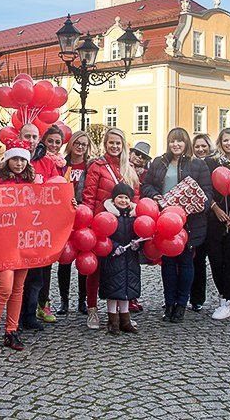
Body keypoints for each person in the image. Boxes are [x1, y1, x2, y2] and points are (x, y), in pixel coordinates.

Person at [141, 127, 212, 323]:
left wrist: (197, 206)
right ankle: (169, 303)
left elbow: (207, 193)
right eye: (173, 141)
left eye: (180, 141)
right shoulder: (159, 162)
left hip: (189, 221)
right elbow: (146, 185)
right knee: (168, 264)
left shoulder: (197, 165)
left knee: (186, 263)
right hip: (164, 220)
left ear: (186, 143)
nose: (176, 144)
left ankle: (181, 304)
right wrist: (154, 195)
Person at [81, 127, 139, 329]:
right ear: (105, 144)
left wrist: (134, 213)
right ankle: (92, 310)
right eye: (111, 142)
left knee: (122, 267)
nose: (114, 146)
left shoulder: (128, 167)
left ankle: (123, 311)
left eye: (118, 143)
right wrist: (88, 222)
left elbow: (136, 195)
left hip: (124, 225)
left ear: (123, 145)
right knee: (95, 270)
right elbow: (89, 195)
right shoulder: (97, 166)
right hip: (101, 224)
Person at [0, 139, 34, 353]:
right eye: (15, 159)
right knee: (5, 288)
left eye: (22, 159)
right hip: (2, 243)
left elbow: (46, 206)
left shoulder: (32, 183)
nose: (19, 163)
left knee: (18, 289)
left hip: (23, 242)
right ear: (7, 160)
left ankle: (11, 331)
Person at [18, 124, 58, 331]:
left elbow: (56, 189)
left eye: (34, 136)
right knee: (17, 277)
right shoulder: (13, 160)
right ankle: (15, 317)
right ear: (20, 137)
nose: (31, 140)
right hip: (17, 228)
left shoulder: (47, 162)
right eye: (27, 136)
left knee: (36, 277)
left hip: (40, 227)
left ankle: (31, 314)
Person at [204, 127, 230, 319]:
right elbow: (206, 189)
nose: (229, 144)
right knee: (215, 261)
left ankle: (227, 300)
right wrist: (215, 208)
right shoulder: (211, 163)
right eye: (226, 140)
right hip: (215, 219)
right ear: (220, 143)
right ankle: (222, 295)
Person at [98, 183, 142, 336]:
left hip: (129, 258)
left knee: (126, 289)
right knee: (113, 290)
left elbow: (139, 234)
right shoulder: (108, 215)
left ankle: (125, 320)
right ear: (114, 199)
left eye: (126, 198)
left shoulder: (134, 216)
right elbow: (104, 236)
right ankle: (113, 321)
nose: (123, 200)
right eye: (120, 197)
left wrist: (137, 244)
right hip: (113, 258)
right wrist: (113, 247)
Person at [34, 125, 67, 324]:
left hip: (49, 221)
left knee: (46, 265)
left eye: (57, 142)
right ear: (43, 141)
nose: (54, 145)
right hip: (30, 220)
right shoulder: (35, 159)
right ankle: (26, 307)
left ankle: (42, 304)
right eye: (50, 141)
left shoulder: (56, 163)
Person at [60, 130, 92, 315]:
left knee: (83, 258)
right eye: (77, 143)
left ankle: (83, 300)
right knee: (65, 259)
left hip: (83, 215)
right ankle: (64, 301)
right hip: (64, 215)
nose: (80, 147)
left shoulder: (90, 165)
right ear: (71, 144)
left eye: (84, 144)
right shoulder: (63, 164)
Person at [188, 133, 214, 313]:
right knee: (193, 260)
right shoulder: (189, 164)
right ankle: (191, 296)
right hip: (194, 217)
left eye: (203, 146)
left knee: (203, 259)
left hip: (212, 218)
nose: (200, 149)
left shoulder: (213, 164)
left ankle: (198, 297)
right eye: (197, 146)